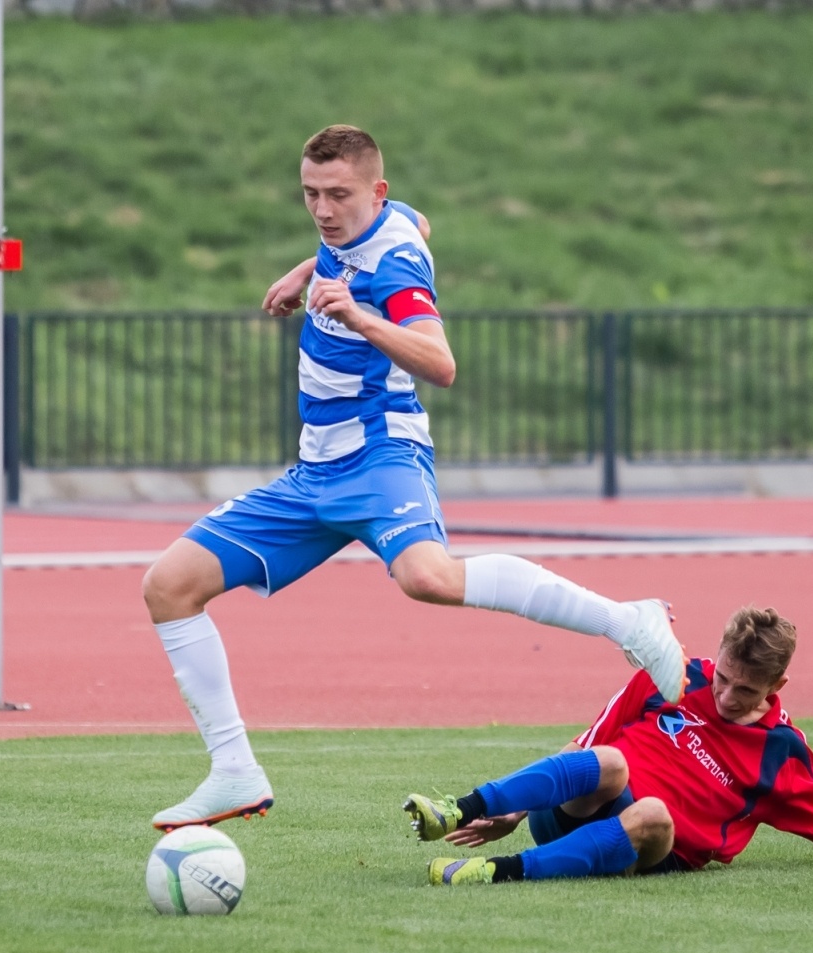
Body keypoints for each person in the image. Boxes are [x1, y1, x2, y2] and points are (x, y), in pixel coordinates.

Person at [141, 124, 687, 831]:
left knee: (428, 577)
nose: (322, 209)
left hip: (380, 457)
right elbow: (408, 223)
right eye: (310, 193)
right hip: (315, 472)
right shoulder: (382, 220)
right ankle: (234, 769)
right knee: (168, 586)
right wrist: (304, 270)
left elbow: (441, 361)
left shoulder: (396, 265)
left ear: (377, 191)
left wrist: (360, 315)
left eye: (338, 195)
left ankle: (627, 618)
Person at [403, 606, 813, 885]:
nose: (724, 694)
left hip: (657, 846)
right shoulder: (670, 675)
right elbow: (584, 745)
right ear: (718, 655)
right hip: (574, 810)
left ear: (776, 688)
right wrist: (514, 811)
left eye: (744, 689)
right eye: (723, 676)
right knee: (612, 761)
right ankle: (459, 808)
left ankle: (498, 874)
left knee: (652, 812)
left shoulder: (780, 751)